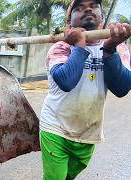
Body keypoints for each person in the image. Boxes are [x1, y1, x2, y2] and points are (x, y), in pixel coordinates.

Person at [39, 0, 131, 179]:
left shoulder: (117, 46)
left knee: (68, 177)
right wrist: (79, 46)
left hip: (88, 132)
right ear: (69, 23)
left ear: (102, 20)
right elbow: (66, 81)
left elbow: (122, 88)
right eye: (79, 8)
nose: (88, 9)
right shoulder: (61, 47)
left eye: (94, 6)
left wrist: (110, 49)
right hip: (55, 127)